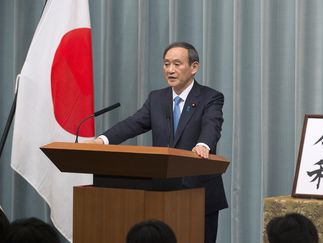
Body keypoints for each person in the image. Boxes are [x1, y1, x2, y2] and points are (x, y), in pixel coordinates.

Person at [86, 41, 227, 243]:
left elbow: (212, 125)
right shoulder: (157, 99)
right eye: (166, 64)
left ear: (194, 67)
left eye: (177, 64)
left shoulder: (210, 97)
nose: (170, 70)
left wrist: (203, 145)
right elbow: (133, 124)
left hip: (199, 193)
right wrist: (102, 140)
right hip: (162, 192)